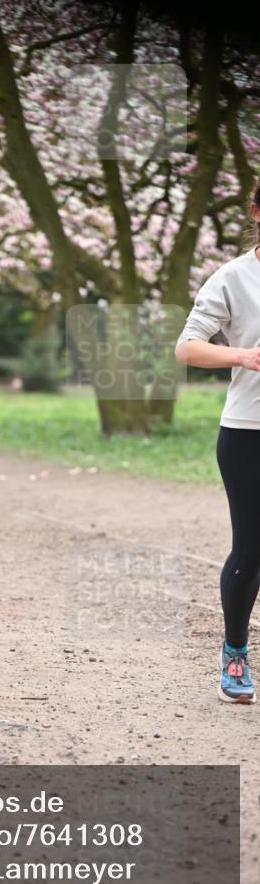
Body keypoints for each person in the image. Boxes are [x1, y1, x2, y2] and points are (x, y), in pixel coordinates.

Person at [175, 179, 260, 704]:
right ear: (256, 212)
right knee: (252, 549)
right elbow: (187, 348)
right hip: (249, 432)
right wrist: (243, 356)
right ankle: (234, 650)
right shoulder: (233, 278)